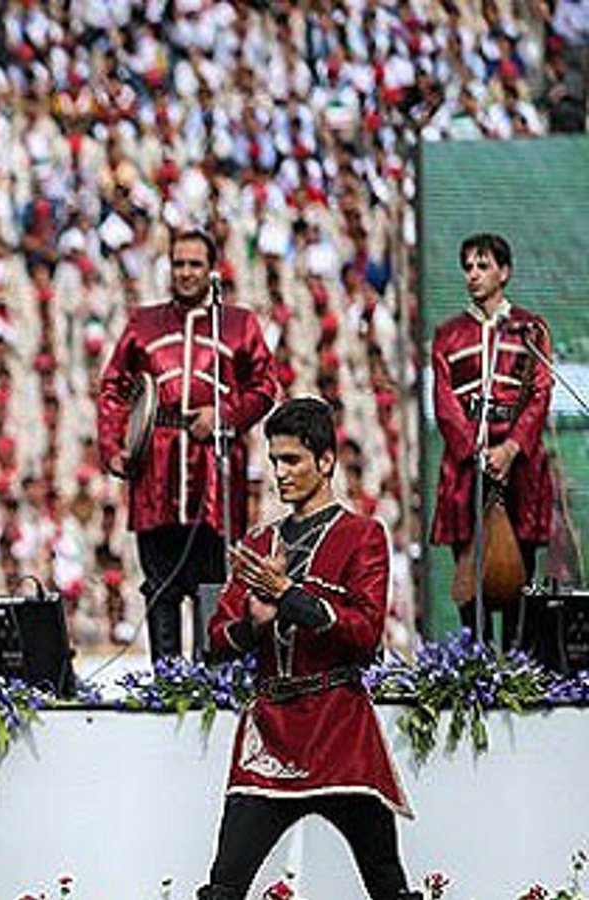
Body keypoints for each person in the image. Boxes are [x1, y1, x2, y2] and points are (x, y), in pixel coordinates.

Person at [199, 397, 418, 900]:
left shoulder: (363, 536)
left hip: (339, 727)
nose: (280, 472)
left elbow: (365, 634)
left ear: (325, 461)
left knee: (386, 881)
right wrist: (254, 626)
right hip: (271, 733)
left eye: (292, 459)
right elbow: (216, 641)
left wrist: (288, 596)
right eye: (275, 459)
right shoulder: (259, 543)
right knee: (223, 887)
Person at [98, 229, 280, 662]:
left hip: (213, 474)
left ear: (211, 270)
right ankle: (166, 684)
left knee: (211, 586)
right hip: (155, 473)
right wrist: (114, 445)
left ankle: (211, 682)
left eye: (194, 264)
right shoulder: (143, 324)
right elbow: (113, 387)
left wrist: (225, 415)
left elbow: (264, 387)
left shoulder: (239, 325)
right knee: (160, 587)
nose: (185, 272)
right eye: (178, 263)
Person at [430, 233, 553, 647]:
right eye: (468, 267)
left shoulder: (530, 329)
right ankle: (474, 665)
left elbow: (540, 393)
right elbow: (444, 401)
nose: (473, 275)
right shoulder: (448, 334)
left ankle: (521, 665)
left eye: (483, 266)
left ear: (504, 272)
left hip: (520, 465)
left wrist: (512, 448)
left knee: (521, 574)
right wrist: (474, 451)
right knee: (470, 573)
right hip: (468, 466)